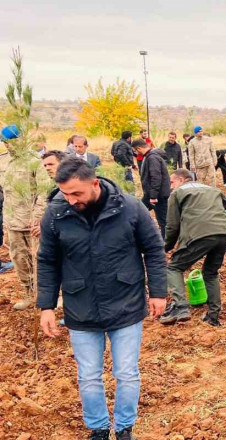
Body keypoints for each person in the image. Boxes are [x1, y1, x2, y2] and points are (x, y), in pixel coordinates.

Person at [37, 158, 167, 440]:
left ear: (94, 184)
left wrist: (158, 292)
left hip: (126, 301)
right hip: (80, 305)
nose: (70, 200)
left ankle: (124, 428)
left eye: (76, 193)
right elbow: (47, 260)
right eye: (65, 194)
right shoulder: (56, 214)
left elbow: (154, 251)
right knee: (88, 376)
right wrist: (46, 306)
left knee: (126, 372)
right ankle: (98, 428)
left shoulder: (130, 207)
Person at [159, 169, 226, 327]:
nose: (170, 186)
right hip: (224, 233)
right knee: (210, 273)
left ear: (182, 180)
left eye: (172, 182)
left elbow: (172, 226)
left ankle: (180, 307)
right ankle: (213, 316)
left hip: (199, 234)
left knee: (174, 268)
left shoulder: (177, 193)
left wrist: (165, 247)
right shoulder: (212, 189)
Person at [3, 128, 52, 310]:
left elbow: (44, 191)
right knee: (19, 259)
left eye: (12, 141)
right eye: (6, 142)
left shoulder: (35, 161)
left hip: (33, 222)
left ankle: (51, 295)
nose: (9, 145)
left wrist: (38, 217)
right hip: (13, 221)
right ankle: (30, 294)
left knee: (43, 258)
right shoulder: (3, 160)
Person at [133, 139, 171, 238]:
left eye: (136, 151)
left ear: (139, 148)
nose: (136, 153)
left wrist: (153, 196)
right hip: (150, 194)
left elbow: (156, 177)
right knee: (138, 211)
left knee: (163, 221)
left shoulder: (152, 158)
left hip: (158, 195)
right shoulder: (150, 156)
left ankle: (166, 243)